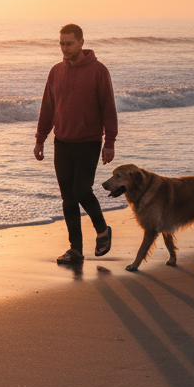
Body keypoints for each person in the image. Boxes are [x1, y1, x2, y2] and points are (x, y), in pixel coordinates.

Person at [33, 24, 118, 264]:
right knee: (68, 198)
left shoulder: (99, 71)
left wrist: (109, 142)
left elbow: (109, 108)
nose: (65, 48)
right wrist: (40, 139)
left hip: (89, 141)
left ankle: (102, 231)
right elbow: (47, 108)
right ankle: (76, 249)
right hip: (62, 142)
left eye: (69, 43)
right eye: (61, 43)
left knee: (81, 190)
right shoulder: (56, 71)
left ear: (81, 42)